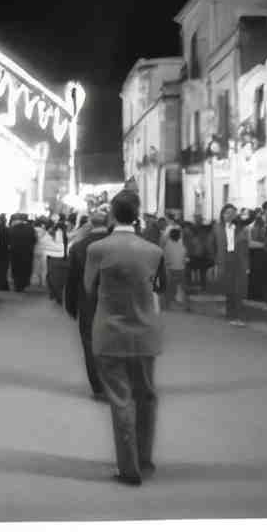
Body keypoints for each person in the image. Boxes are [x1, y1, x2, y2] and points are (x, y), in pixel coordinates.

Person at [84, 191, 166, 486]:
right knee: (146, 397)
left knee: (121, 400)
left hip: (110, 332)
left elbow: (89, 288)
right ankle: (145, 459)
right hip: (145, 333)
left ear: (112, 214)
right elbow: (161, 287)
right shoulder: (153, 251)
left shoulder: (97, 249)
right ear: (137, 214)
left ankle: (128, 468)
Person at [64, 207, 109, 400]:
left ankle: (99, 388)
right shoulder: (116, 245)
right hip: (115, 302)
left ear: (91, 224)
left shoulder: (79, 247)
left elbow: (72, 280)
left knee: (90, 343)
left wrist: (71, 305)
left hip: (88, 302)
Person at [213, 203, 252, 327]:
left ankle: (238, 316)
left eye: (233, 213)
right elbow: (213, 246)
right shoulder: (217, 228)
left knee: (239, 289)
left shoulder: (241, 228)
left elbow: (245, 249)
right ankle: (230, 314)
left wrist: (247, 265)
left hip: (238, 260)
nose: (230, 215)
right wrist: (215, 262)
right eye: (227, 213)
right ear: (223, 214)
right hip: (224, 260)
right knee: (229, 289)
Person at [163, 227, 190, 310]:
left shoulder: (167, 246)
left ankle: (167, 304)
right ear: (179, 236)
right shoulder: (182, 246)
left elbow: (166, 259)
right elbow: (185, 257)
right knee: (182, 287)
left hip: (171, 269)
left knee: (170, 287)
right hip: (181, 269)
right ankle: (185, 305)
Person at [8, 213, 37, 292]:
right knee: (26, 268)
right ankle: (24, 284)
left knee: (16, 268)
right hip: (27, 252)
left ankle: (17, 285)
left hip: (15, 252)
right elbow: (34, 240)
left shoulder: (13, 228)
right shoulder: (31, 228)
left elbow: (9, 240)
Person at [0, 213, 10, 291]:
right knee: (4, 269)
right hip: (6, 251)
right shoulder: (8, 229)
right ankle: (4, 285)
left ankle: (0, 285)